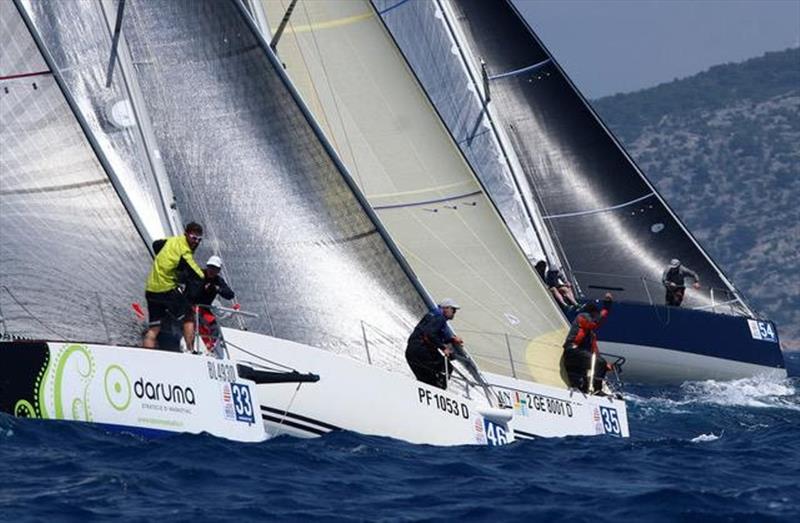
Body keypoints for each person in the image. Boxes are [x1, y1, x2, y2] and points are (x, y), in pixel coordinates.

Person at [143, 222, 205, 350]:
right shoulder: (185, 253)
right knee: (189, 315)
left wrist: (170, 264)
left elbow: (156, 244)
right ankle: (191, 350)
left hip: (151, 290)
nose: (196, 242)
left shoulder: (170, 241)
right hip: (166, 291)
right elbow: (199, 276)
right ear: (186, 234)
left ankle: (147, 355)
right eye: (193, 238)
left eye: (199, 239)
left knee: (154, 328)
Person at [406, 298, 464, 390]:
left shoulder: (434, 314)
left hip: (411, 352)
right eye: (453, 310)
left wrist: (452, 339)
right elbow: (430, 334)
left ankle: (433, 391)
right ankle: (441, 392)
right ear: (446, 308)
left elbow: (438, 333)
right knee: (447, 368)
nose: (454, 313)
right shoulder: (440, 317)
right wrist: (443, 348)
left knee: (426, 381)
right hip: (420, 350)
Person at [562, 293, 613, 394]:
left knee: (600, 364)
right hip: (572, 352)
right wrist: (606, 307)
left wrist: (605, 365)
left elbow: (594, 350)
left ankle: (588, 391)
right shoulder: (582, 317)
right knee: (599, 363)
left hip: (579, 356)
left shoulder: (590, 334)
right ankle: (597, 390)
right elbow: (594, 323)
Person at [187, 255, 236, 354]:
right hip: (190, 306)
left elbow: (230, 295)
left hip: (203, 308)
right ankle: (191, 348)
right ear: (207, 266)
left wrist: (217, 289)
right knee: (195, 323)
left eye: (215, 269)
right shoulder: (198, 274)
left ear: (218, 270)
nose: (212, 271)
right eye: (211, 267)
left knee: (214, 327)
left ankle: (210, 347)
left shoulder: (218, 281)